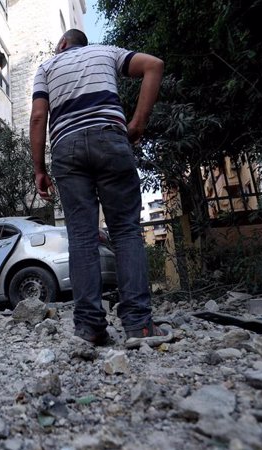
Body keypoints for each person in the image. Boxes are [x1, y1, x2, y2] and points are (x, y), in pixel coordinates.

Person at [29, 29, 168, 347]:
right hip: (110, 137)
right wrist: (137, 125)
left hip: (67, 148)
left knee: (81, 237)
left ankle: (90, 327)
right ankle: (139, 325)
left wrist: (38, 168)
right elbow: (154, 66)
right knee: (126, 231)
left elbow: (39, 118)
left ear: (62, 44)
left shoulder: (47, 67)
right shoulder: (107, 52)